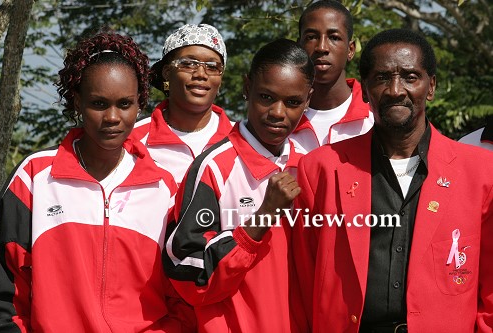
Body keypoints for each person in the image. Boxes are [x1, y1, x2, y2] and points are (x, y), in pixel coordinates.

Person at [292, 28, 493, 333]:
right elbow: (303, 282)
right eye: (383, 78)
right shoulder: (320, 169)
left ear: (431, 87)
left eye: (410, 77)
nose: (396, 89)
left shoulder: (480, 171)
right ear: (365, 89)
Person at [0, 31, 195, 332]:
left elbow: (182, 292)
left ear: (139, 102)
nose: (112, 117)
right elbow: (2, 287)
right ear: (77, 102)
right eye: (99, 104)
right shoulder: (35, 177)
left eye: (125, 104)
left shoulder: (162, 189)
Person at [162, 39, 314, 332]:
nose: (278, 112)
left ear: (308, 99)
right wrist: (262, 218)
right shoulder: (214, 167)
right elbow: (188, 275)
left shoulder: (310, 166)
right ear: (247, 88)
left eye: (293, 102)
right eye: (266, 97)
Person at [130, 23, 234, 185]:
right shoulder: (133, 140)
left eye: (212, 67)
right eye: (188, 64)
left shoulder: (243, 139)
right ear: (167, 73)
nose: (201, 74)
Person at [294, 0, 373, 151]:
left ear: (350, 50)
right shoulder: (280, 120)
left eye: (334, 37)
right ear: (299, 47)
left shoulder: (375, 117)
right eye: (311, 37)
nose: (322, 47)